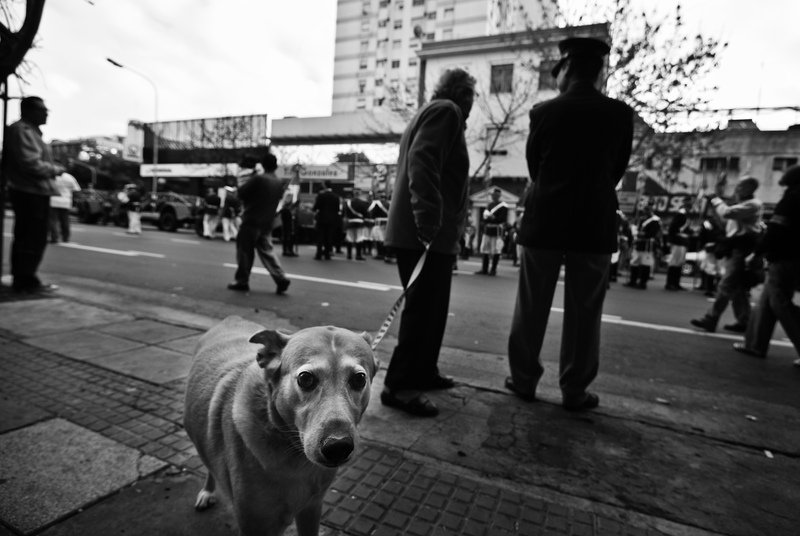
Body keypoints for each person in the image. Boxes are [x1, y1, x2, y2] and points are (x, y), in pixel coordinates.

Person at [506, 37, 633, 411]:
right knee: (585, 312)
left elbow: (534, 168)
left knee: (531, 307)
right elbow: (616, 169)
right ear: (598, 72)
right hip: (593, 222)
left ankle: (524, 380)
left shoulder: (543, 113)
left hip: (545, 219)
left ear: (566, 70)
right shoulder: (619, 113)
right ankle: (575, 390)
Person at [381, 68, 476, 417]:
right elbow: (423, 161)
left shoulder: (433, 111)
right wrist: (428, 218)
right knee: (423, 310)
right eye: (472, 97)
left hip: (431, 234)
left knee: (433, 309)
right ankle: (400, 385)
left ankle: (423, 371)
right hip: (425, 233)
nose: (472, 106)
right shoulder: (446, 111)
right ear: (461, 94)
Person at [732, 166, 800, 361]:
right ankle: (755, 344)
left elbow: (776, 230)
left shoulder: (791, 200)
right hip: (789, 257)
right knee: (766, 303)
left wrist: (758, 252)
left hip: (783, 257)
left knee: (780, 302)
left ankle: (755, 344)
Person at [5, 96, 64, 293]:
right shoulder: (23, 131)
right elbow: (31, 163)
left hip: (33, 191)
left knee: (33, 236)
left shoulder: (30, 132)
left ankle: (25, 277)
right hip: (30, 191)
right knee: (31, 237)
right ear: (29, 111)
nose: (46, 113)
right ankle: (25, 280)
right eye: (42, 109)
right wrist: (55, 169)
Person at [690, 176, 763, 333]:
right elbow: (727, 223)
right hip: (735, 247)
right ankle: (745, 321)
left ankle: (711, 319)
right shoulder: (743, 205)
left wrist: (716, 199)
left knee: (726, 285)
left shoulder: (753, 204)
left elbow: (728, 213)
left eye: (740, 186)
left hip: (743, 249)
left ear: (750, 188)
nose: (737, 189)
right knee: (737, 288)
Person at [227, 154, 290, 295]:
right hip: (267, 221)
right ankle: (280, 277)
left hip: (252, 220)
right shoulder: (278, 182)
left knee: (244, 252)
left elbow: (241, 193)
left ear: (262, 164)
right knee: (267, 251)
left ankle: (242, 281)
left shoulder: (259, 179)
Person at [624, 204, 661, 289]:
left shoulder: (655, 220)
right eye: (645, 210)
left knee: (645, 264)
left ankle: (643, 283)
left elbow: (652, 233)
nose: (646, 211)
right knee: (634, 262)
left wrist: (642, 234)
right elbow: (637, 230)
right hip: (638, 244)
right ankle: (633, 280)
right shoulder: (641, 219)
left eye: (648, 210)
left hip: (647, 245)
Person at [476, 187, 508, 276]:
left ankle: (493, 269)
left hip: (496, 230)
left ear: (499, 196)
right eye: (493, 195)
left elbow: (502, 219)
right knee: (485, 249)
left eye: (495, 195)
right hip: (487, 230)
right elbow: (484, 218)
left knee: (496, 250)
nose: (493, 196)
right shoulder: (489, 205)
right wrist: (486, 219)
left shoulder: (503, 206)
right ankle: (484, 269)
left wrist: (493, 218)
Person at [49, 160, 81, 243]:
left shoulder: (52, 176)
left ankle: (54, 237)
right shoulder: (70, 177)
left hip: (53, 201)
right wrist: (74, 201)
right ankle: (65, 238)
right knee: (65, 220)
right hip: (66, 202)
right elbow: (77, 190)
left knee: (53, 220)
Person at [664, 203, 691, 290]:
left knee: (679, 263)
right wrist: (670, 240)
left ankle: (676, 283)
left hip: (682, 242)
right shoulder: (680, 215)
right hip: (677, 242)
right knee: (674, 263)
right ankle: (670, 283)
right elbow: (673, 229)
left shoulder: (684, 216)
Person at [312, 180, 341, 260]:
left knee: (320, 237)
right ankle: (327, 254)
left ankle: (319, 254)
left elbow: (315, 207)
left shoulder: (321, 195)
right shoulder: (336, 196)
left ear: (325, 186)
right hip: (332, 220)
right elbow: (338, 209)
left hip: (321, 219)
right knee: (329, 237)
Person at [343, 191, 371, 260]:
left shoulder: (348, 203)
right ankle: (358, 255)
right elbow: (366, 214)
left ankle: (349, 255)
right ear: (359, 195)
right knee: (359, 239)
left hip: (350, 222)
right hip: (359, 222)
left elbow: (345, 213)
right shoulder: (363, 203)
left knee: (349, 238)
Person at [368, 192, 390, 260]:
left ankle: (380, 254)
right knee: (385, 239)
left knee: (379, 239)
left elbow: (372, 213)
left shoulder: (376, 204)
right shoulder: (389, 204)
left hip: (378, 222)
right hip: (387, 223)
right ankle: (386, 253)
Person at [279, 191, 298, 256]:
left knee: (291, 237)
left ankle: (290, 250)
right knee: (286, 236)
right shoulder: (285, 208)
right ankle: (286, 250)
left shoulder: (290, 207)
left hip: (290, 224)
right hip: (287, 225)